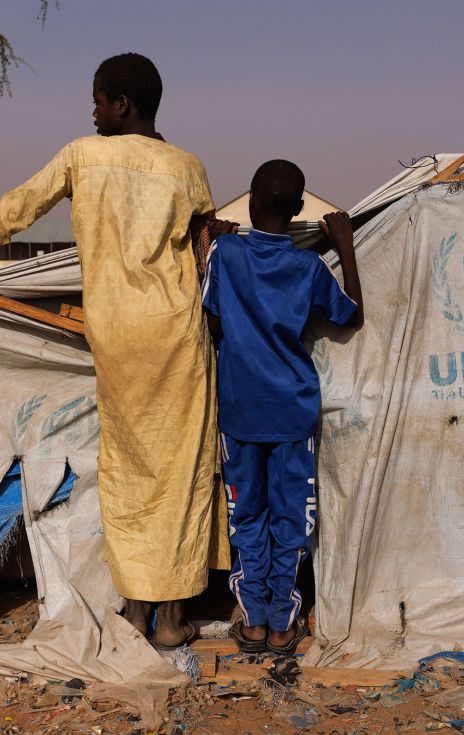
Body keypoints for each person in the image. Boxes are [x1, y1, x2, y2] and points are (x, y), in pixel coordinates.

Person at [0, 53, 226, 648]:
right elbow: (207, 252)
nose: (91, 111)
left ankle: (136, 613)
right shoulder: (187, 167)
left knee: (126, 468)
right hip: (177, 336)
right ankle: (170, 620)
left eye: (97, 100)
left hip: (115, 335)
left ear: (122, 105)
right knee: (180, 468)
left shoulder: (81, 156)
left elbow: (13, 213)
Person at [201, 160, 363, 654]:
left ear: (249, 202)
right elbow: (350, 314)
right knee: (292, 515)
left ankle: (252, 623)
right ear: (297, 212)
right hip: (293, 411)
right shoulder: (309, 267)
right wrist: (346, 246)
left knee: (246, 513)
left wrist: (209, 239)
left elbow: (210, 323)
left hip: (241, 411)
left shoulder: (226, 254)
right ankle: (280, 624)